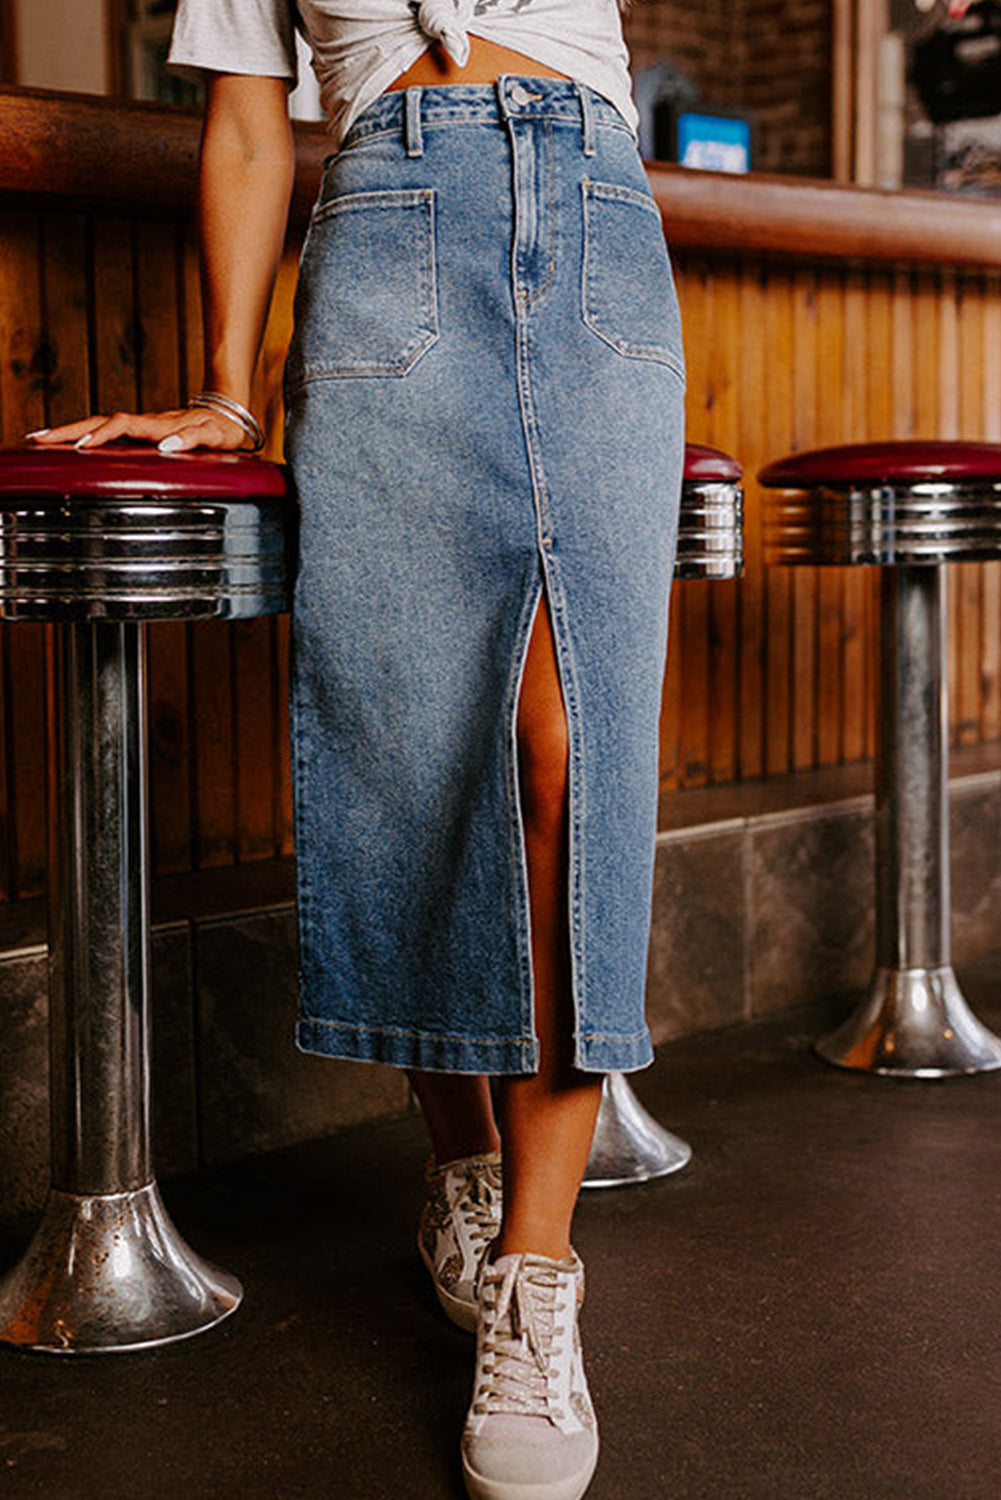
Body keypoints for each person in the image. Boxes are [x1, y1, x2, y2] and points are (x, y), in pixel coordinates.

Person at [30, 4, 685, 1496]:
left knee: (564, 765)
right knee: (411, 746)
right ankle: (461, 1167)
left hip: (596, 225)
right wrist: (228, 387)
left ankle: (535, 1276)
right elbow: (254, 122)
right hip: (385, 227)